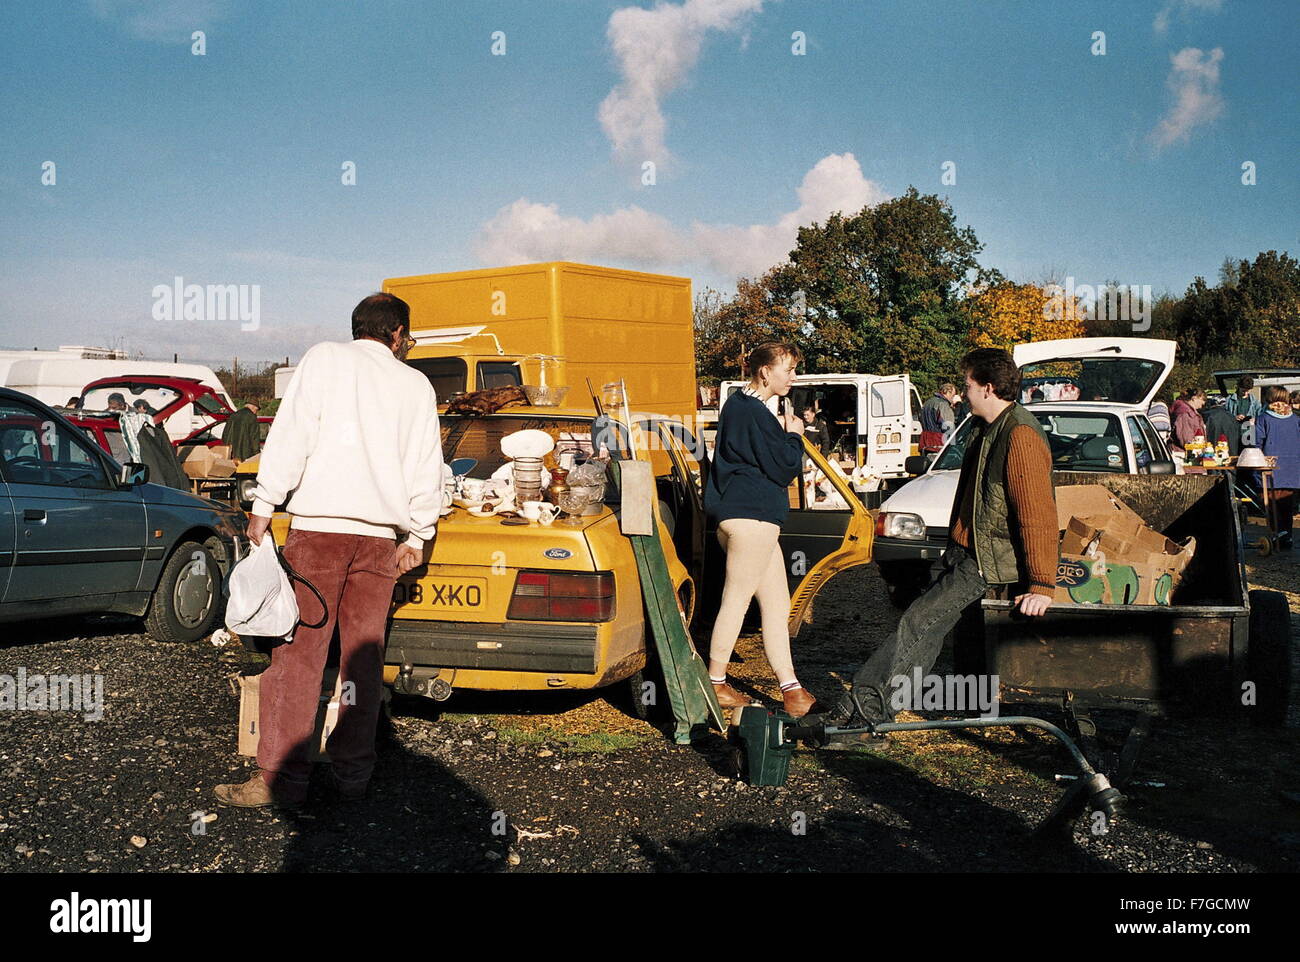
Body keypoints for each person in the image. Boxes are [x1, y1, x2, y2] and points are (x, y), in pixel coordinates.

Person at [215, 292, 444, 809]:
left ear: (357, 327)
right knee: (362, 659)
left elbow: (292, 435)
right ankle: (353, 776)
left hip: (319, 533)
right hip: (381, 540)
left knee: (298, 658)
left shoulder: (323, 358)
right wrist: (419, 535)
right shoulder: (415, 384)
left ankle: (280, 781)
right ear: (398, 334)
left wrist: (265, 504)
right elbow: (425, 463)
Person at [812, 347, 1057, 745]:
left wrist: (1042, 583)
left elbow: (1038, 514)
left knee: (919, 622)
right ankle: (975, 708)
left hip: (984, 560)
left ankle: (866, 715)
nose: (963, 393)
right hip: (965, 552)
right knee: (962, 633)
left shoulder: (1020, 435)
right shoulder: (987, 428)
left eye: (969, 385)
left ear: (988, 388)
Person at [704, 342, 816, 718]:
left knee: (776, 605)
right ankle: (715, 681)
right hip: (752, 518)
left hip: (751, 517)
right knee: (736, 599)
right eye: (789, 369)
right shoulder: (751, 410)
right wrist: (795, 434)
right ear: (766, 371)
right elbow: (784, 466)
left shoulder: (741, 407)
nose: (794, 377)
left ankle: (792, 690)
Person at [1256, 385, 1299, 551]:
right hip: (1293, 468)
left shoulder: (1263, 419)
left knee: (1272, 505)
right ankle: (1286, 536)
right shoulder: (1296, 419)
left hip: (1270, 466)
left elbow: (1256, 443)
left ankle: (1277, 535)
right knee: (1286, 506)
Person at [920, 383, 958, 453]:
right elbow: (948, 427)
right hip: (938, 443)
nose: (952, 399)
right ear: (947, 392)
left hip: (924, 442)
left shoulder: (927, 403)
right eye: (952, 396)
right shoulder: (943, 405)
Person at [1225, 376, 1262, 446]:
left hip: (1249, 433)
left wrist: (1255, 419)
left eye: (1247, 391)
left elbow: (1261, 416)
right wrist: (1234, 418)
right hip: (1234, 432)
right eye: (1243, 390)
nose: (1245, 393)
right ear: (1238, 387)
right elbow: (1225, 416)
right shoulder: (1229, 400)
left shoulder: (1255, 402)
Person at [1169, 387, 1207, 454]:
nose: (1201, 407)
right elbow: (1186, 438)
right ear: (1194, 398)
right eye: (1202, 402)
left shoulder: (1186, 411)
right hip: (1183, 454)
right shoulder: (1185, 414)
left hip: (1184, 452)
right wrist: (1196, 450)